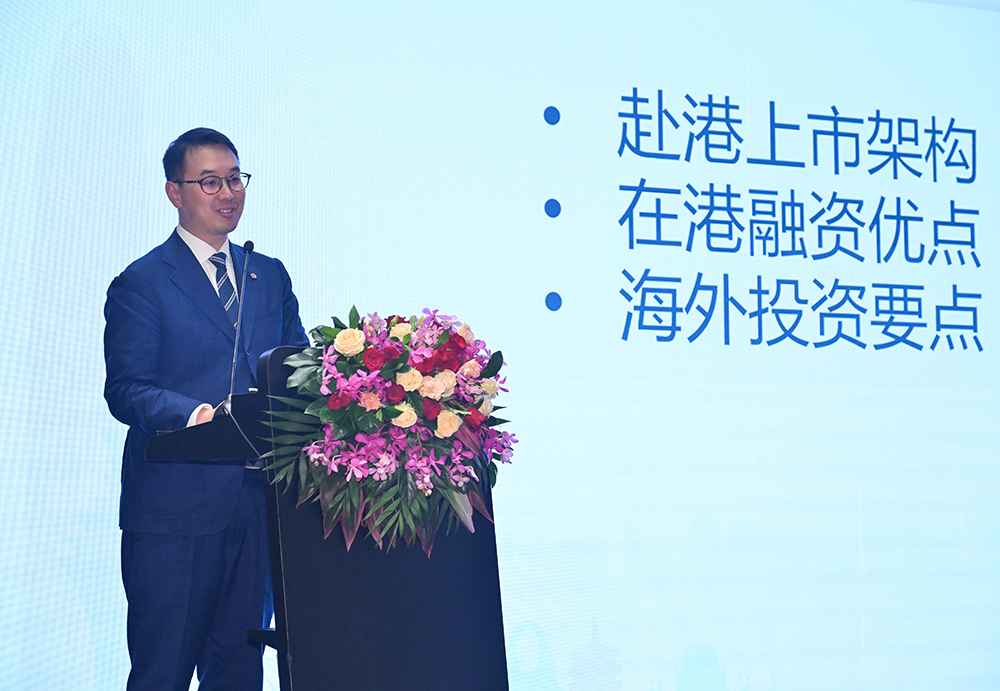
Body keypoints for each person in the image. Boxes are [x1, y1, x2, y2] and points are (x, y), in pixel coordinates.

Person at [104, 128, 309, 690]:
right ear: (175, 192)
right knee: (163, 671)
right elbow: (127, 389)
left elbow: (297, 369)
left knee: (238, 674)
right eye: (211, 182)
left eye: (236, 180)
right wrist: (199, 416)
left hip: (258, 506)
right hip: (174, 514)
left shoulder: (268, 275)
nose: (229, 194)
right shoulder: (142, 283)